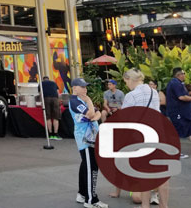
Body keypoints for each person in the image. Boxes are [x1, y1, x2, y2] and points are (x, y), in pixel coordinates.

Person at [114, 68, 168, 208]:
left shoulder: (130, 96)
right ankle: (164, 205)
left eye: (126, 81)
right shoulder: (154, 92)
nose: (126, 85)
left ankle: (145, 206)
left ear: (130, 79)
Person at [69, 78, 108, 208]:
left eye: (85, 86)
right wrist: (89, 102)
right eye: (82, 87)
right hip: (85, 139)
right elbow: (92, 113)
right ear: (74, 88)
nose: (85, 89)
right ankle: (91, 200)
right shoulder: (75, 101)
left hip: (90, 138)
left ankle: (82, 194)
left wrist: (92, 115)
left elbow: (96, 114)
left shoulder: (81, 101)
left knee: (86, 166)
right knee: (91, 167)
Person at [165, 67, 191, 158]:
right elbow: (181, 97)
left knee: (188, 130)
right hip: (177, 113)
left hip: (183, 113)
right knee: (177, 133)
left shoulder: (178, 83)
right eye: (183, 73)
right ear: (179, 75)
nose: (184, 75)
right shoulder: (175, 83)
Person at [41, 76, 62, 140]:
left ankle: (50, 134)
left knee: (48, 117)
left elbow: (40, 93)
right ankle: (56, 134)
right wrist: (59, 100)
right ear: (48, 79)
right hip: (55, 99)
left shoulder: (41, 83)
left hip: (46, 99)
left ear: (43, 79)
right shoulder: (53, 83)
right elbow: (58, 93)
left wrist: (41, 102)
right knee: (56, 117)